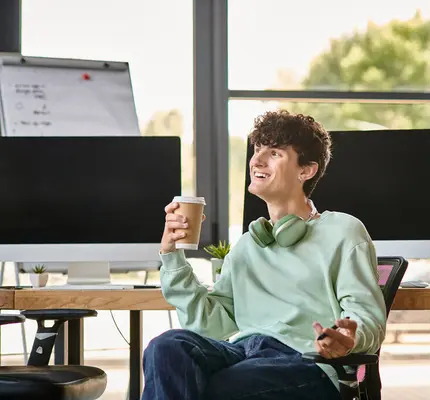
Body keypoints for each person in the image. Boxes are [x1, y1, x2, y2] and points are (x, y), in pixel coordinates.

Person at [142, 110, 387, 400]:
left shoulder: (344, 231)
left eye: (274, 153)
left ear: (305, 170)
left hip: (307, 362)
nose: (256, 160)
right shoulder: (247, 245)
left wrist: (348, 338)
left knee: (214, 387)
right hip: (243, 353)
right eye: (257, 150)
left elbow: (367, 316)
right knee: (166, 346)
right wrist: (172, 255)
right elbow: (210, 324)